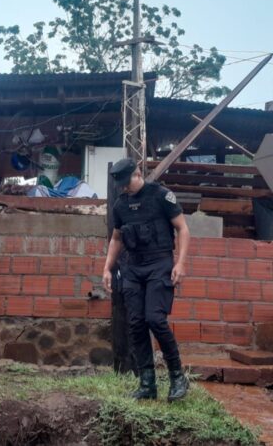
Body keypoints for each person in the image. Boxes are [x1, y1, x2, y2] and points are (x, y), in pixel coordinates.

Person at [102, 158, 191, 402]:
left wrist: (180, 263)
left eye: (126, 182)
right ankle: (147, 383)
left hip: (159, 264)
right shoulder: (121, 205)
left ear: (138, 174)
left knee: (155, 319)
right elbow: (116, 239)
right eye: (120, 184)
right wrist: (107, 268)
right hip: (133, 267)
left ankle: (177, 377)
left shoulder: (161, 195)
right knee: (136, 323)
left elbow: (183, 229)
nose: (123, 187)